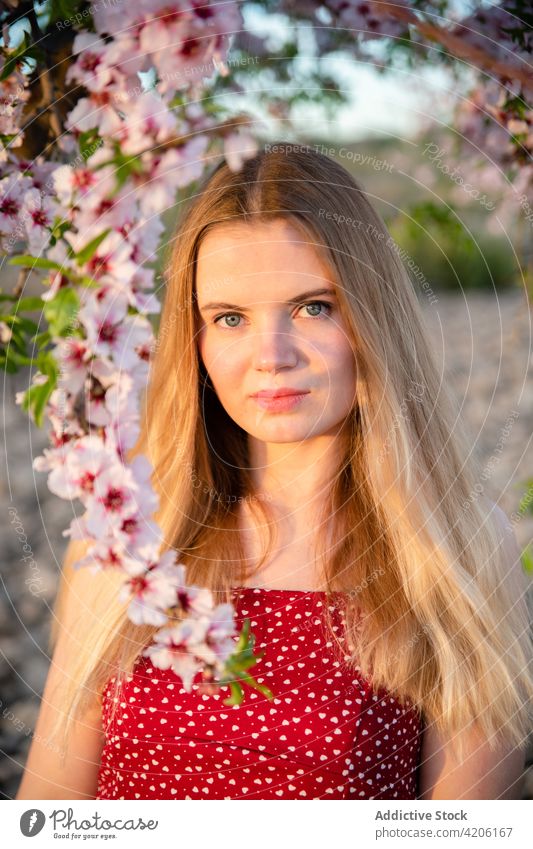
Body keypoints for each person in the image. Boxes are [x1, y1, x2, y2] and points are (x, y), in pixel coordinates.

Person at [16, 142, 532, 800]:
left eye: (311, 306)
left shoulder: (455, 546)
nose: (271, 356)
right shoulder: (124, 544)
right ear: (194, 342)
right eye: (229, 318)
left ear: (371, 316)